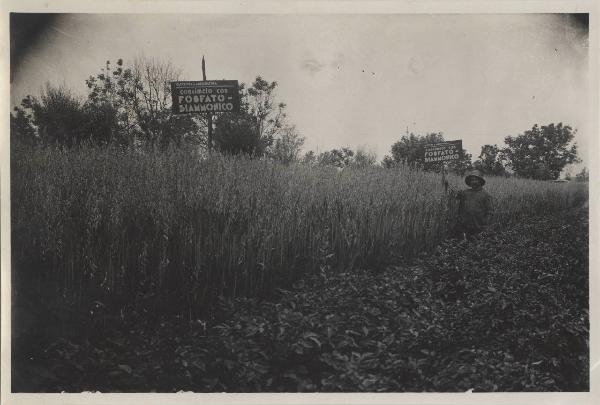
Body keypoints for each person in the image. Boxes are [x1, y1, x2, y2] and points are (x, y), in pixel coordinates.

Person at [451, 169, 494, 240]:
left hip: (478, 227)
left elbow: (490, 211)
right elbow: (454, 196)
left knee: (477, 246)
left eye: (476, 179)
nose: (473, 182)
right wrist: (447, 186)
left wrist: (485, 226)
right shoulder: (465, 193)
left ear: (480, 181)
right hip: (465, 227)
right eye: (472, 180)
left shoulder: (486, 195)